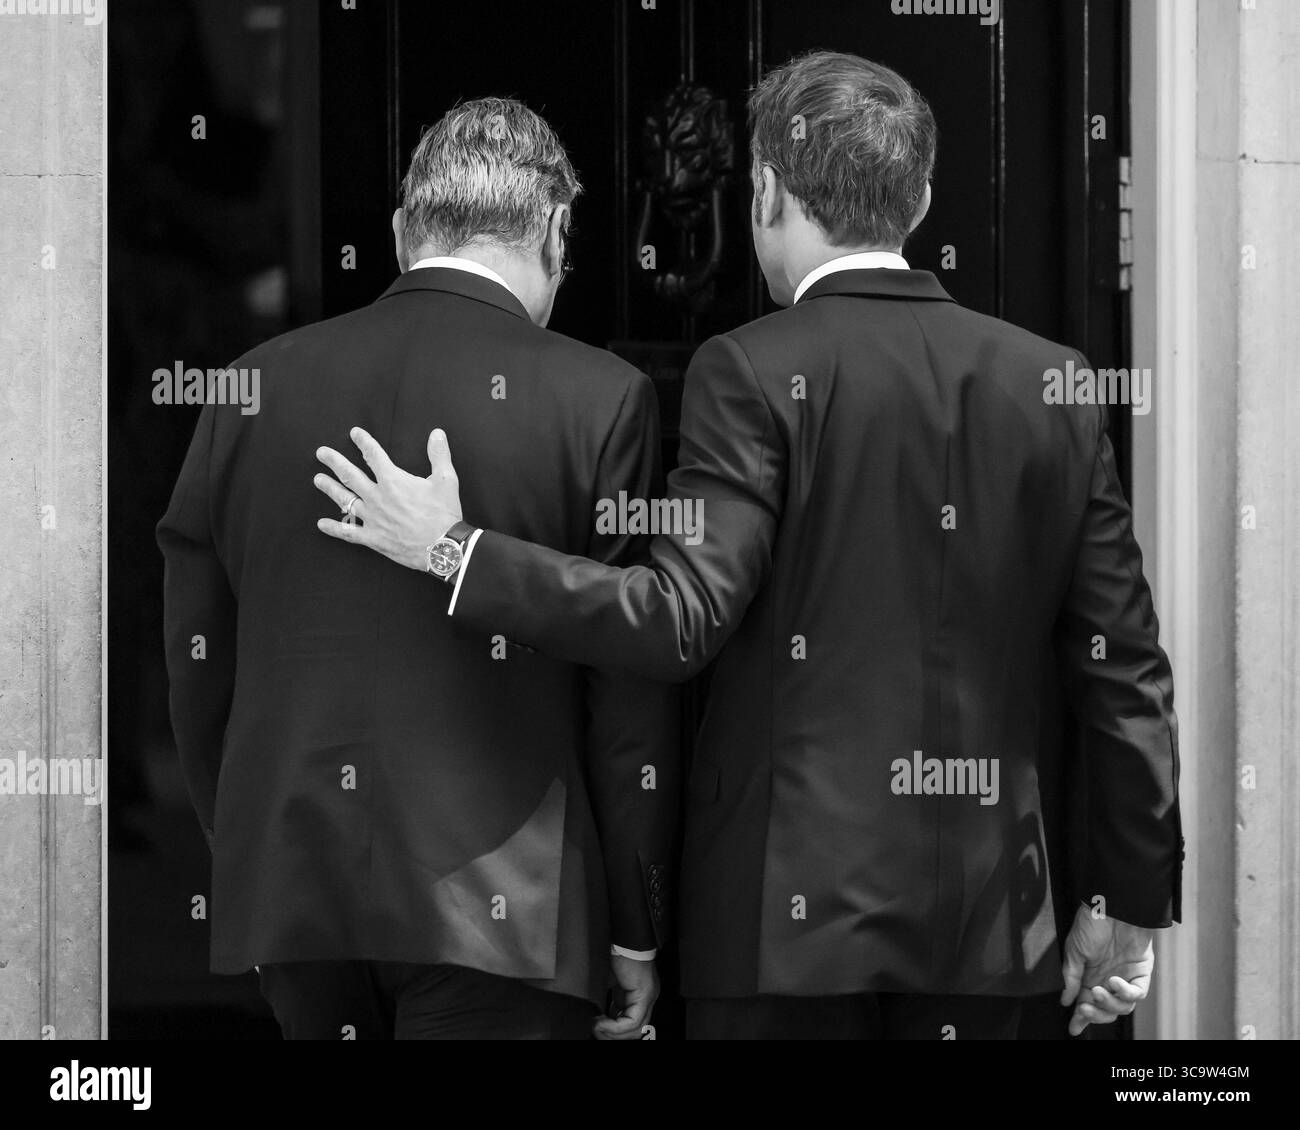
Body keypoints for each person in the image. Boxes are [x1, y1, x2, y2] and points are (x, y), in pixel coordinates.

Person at [314, 52, 1182, 1040]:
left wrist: (456, 549)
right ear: (923, 194)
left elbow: (676, 617)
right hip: (992, 926)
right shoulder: (1051, 383)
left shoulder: (750, 369)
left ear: (764, 190)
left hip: (779, 929)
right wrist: (1124, 900)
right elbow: (1124, 667)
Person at [158, 97, 679, 1040]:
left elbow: (200, 666)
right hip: (505, 914)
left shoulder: (248, 388)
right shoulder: (603, 400)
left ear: (403, 231)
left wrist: (249, 841)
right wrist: (635, 930)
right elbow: (625, 699)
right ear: (559, 230)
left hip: (295, 889)